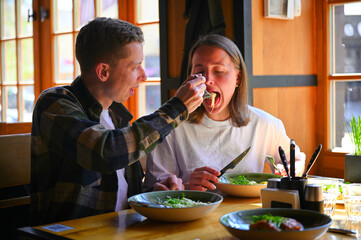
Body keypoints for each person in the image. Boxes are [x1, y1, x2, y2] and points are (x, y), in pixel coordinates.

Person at [30, 17, 207, 225]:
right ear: (103, 71)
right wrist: (177, 108)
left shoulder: (117, 116)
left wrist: (154, 193)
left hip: (119, 231)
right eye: (135, 66)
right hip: (69, 235)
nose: (143, 76)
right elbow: (105, 152)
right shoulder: (55, 104)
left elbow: (119, 193)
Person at [144, 34, 306, 191]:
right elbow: (158, 189)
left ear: (238, 78)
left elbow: (295, 159)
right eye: (199, 71)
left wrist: (293, 168)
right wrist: (185, 187)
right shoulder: (169, 126)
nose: (207, 80)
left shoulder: (265, 125)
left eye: (219, 71)